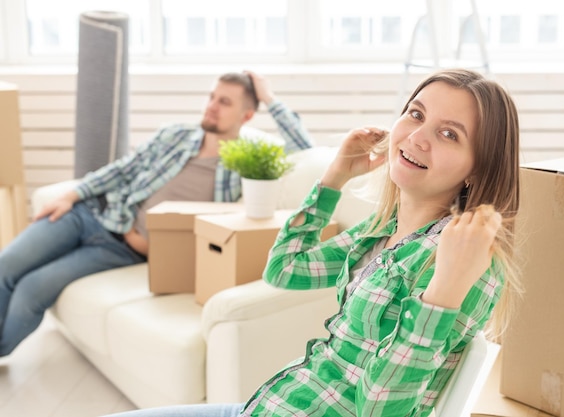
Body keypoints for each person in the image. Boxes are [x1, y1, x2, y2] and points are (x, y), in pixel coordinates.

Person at [103, 68, 521, 417]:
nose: (417, 138)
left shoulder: (465, 258)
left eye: (449, 134)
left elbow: (382, 411)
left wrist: (443, 293)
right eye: (415, 114)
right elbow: (284, 268)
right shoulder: (383, 231)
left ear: (476, 168)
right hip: (270, 405)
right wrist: (335, 176)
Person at [0, 71, 314, 357]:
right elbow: (125, 168)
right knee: (6, 265)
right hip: (90, 213)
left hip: (119, 250)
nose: (212, 106)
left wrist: (269, 98)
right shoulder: (175, 134)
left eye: (225, 102)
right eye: (212, 97)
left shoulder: (245, 162)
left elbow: (303, 147)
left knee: (31, 290)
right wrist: (71, 195)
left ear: (246, 114)